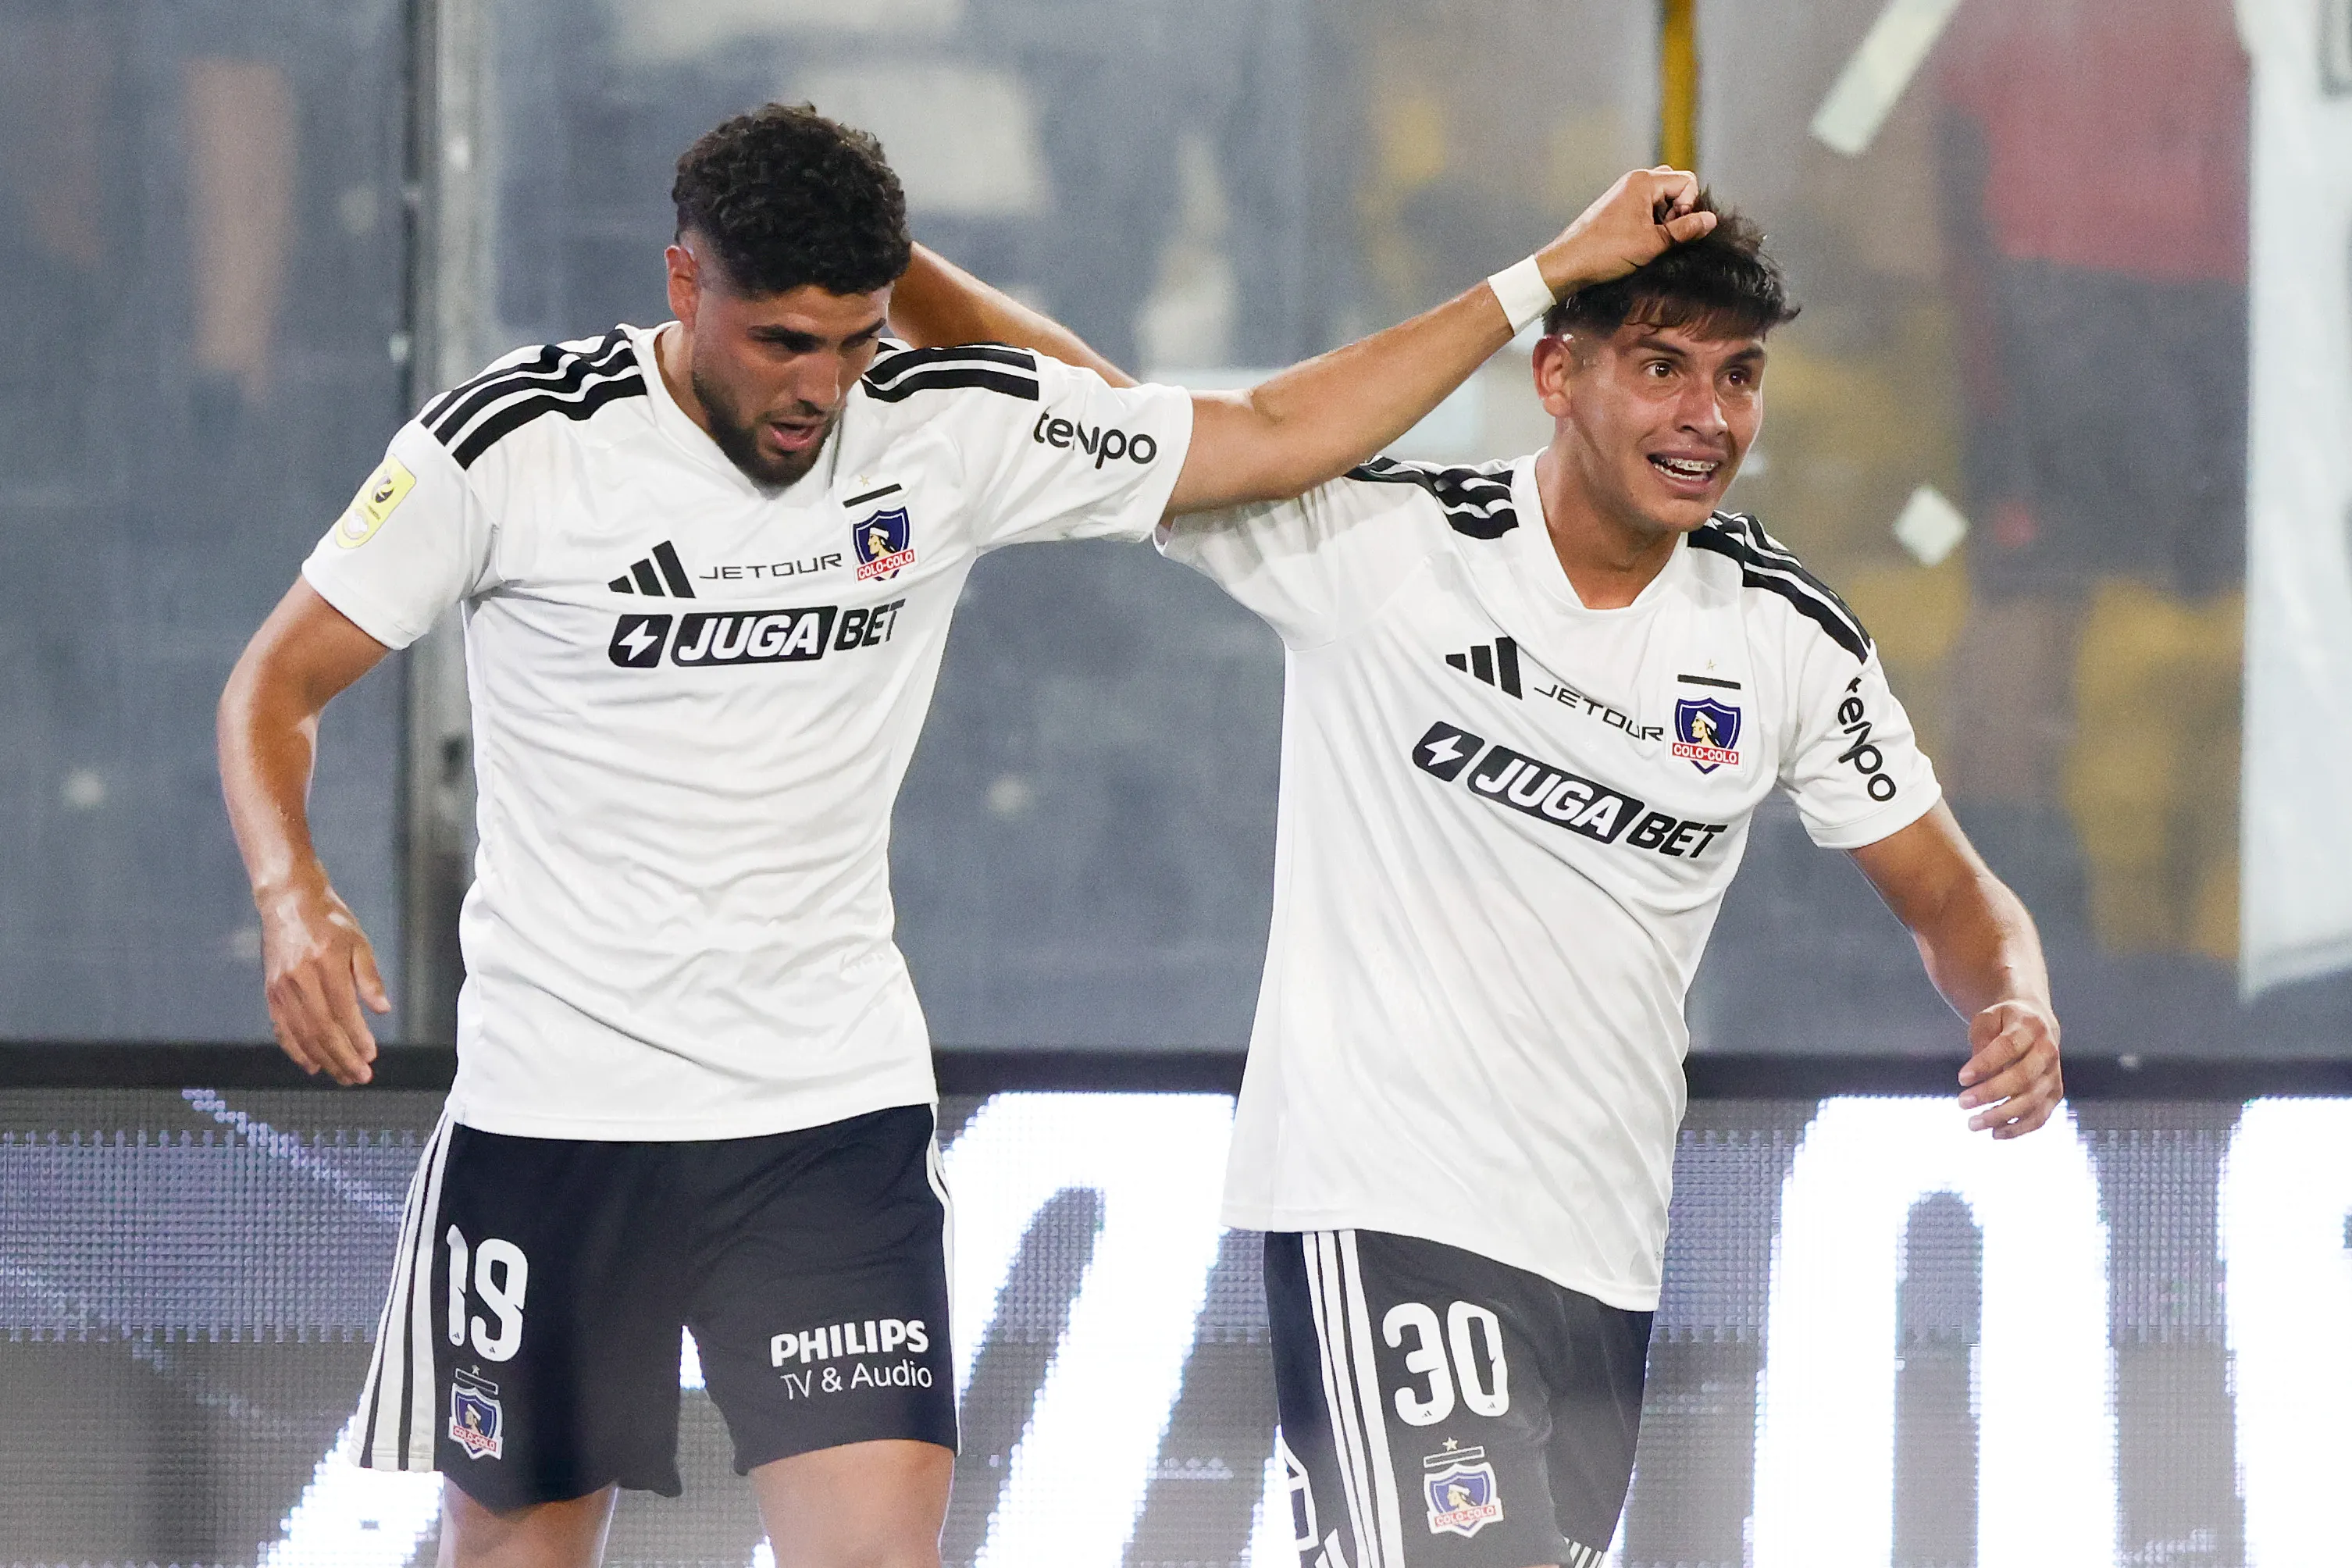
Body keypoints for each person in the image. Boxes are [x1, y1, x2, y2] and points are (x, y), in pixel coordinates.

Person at [214, 99, 1713, 1567]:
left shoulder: (948, 430)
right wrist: (295, 894)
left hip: (821, 1118)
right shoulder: (518, 442)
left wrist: (1544, 277)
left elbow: (1270, 435)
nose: (819, 387)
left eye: (858, 340)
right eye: (781, 342)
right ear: (686, 282)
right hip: (557, 1114)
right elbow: (277, 680)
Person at [891, 197, 2064, 1567]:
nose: (1708, 416)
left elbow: (1951, 895)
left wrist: (2017, 999)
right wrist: (892, 262)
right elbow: (1100, 406)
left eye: (1739, 375)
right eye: (1663, 365)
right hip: (1383, 1206)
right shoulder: (1387, 548)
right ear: (1558, 375)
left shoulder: (1783, 637)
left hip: (1603, 1261)